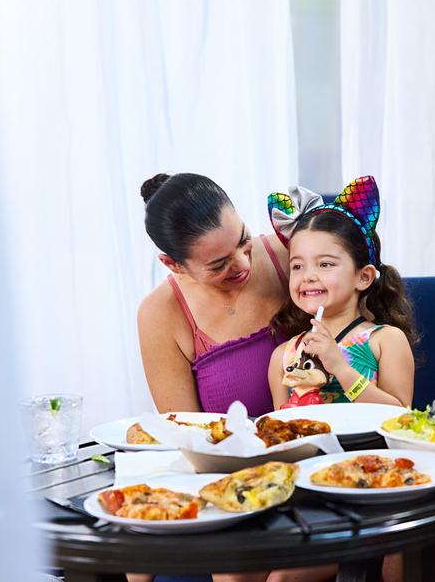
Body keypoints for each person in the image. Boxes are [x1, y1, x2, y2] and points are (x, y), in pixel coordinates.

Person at [137, 173, 290, 419]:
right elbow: (186, 433)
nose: (243, 264)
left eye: (243, 240)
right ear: (174, 265)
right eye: (219, 265)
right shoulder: (161, 313)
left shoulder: (290, 254)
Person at [266, 176, 416, 410]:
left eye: (325, 264)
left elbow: (400, 415)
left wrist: (340, 368)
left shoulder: (386, 340)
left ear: (363, 277)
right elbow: (282, 429)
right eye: (297, 266)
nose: (308, 276)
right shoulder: (282, 357)